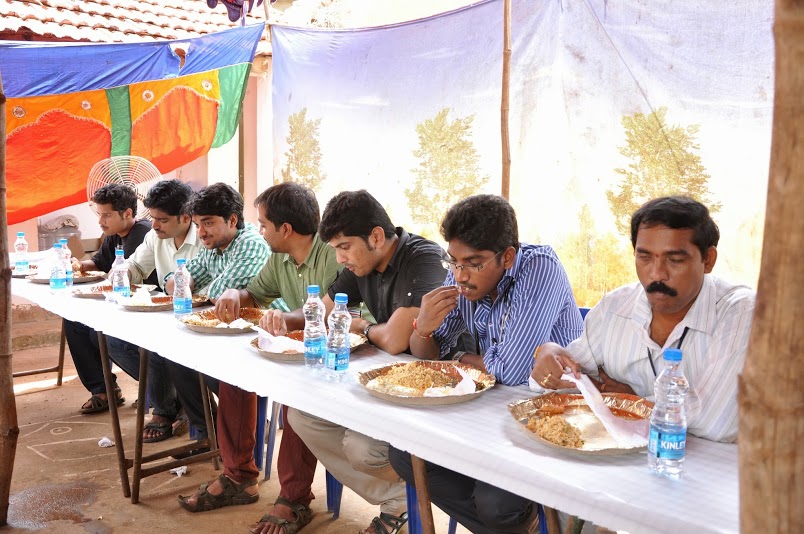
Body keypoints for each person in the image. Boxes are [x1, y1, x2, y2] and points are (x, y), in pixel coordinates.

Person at [389, 194, 583, 534]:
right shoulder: (463, 276)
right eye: (454, 262)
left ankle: (516, 520)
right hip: (494, 410)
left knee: (496, 504)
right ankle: (516, 527)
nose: (460, 275)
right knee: (405, 453)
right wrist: (424, 328)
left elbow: (511, 371)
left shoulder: (539, 268)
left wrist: (456, 357)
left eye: (474, 263)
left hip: (552, 415)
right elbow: (426, 353)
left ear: (507, 256)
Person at [267, 190, 448, 534]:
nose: (339, 258)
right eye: (335, 248)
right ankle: (397, 500)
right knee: (302, 416)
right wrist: (281, 320)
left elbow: (396, 340)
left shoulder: (423, 258)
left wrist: (362, 326)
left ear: (376, 237)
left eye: (344, 247)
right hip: (385, 384)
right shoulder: (360, 263)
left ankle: (413, 497)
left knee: (362, 448)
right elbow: (323, 311)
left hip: (430, 392)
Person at [530, 196, 755, 444]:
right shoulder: (614, 308)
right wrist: (548, 353)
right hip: (621, 461)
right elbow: (557, 382)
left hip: (705, 467)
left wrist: (629, 402)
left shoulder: (741, 312)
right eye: (645, 257)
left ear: (708, 260)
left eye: (675, 260)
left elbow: (715, 422)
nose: (657, 274)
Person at [181, 182, 340, 533]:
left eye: (264, 224)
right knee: (236, 373)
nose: (259, 230)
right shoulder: (280, 256)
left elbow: (332, 314)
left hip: (336, 352)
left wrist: (286, 319)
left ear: (286, 229)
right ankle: (239, 476)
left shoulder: (331, 254)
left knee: (297, 395)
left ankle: (294, 498)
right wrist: (236, 294)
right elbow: (255, 294)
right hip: (295, 346)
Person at [166, 182, 275, 510]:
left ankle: (240, 454)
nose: (201, 232)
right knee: (172, 354)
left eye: (209, 223)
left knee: (232, 379)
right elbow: (177, 280)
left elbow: (218, 294)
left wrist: (190, 287)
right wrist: (185, 282)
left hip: (263, 339)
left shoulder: (251, 244)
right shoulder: (213, 245)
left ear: (232, 220)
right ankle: (209, 433)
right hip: (227, 333)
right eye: (198, 224)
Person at [103, 179, 203, 442]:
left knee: (156, 346)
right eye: (153, 218)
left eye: (162, 220)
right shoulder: (155, 237)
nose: (154, 225)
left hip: (198, 316)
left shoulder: (204, 237)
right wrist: (122, 271)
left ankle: (164, 410)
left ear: (186, 217)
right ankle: (176, 400)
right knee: (114, 342)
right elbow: (135, 265)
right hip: (167, 313)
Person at [65, 183, 157, 414]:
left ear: (127, 214)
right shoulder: (113, 234)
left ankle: (159, 390)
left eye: (106, 215)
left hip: (143, 307)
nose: (100, 221)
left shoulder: (143, 233)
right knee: (74, 322)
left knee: (99, 334)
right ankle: (104, 390)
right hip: (119, 304)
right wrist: (77, 265)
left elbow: (124, 277)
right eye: (99, 214)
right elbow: (99, 263)